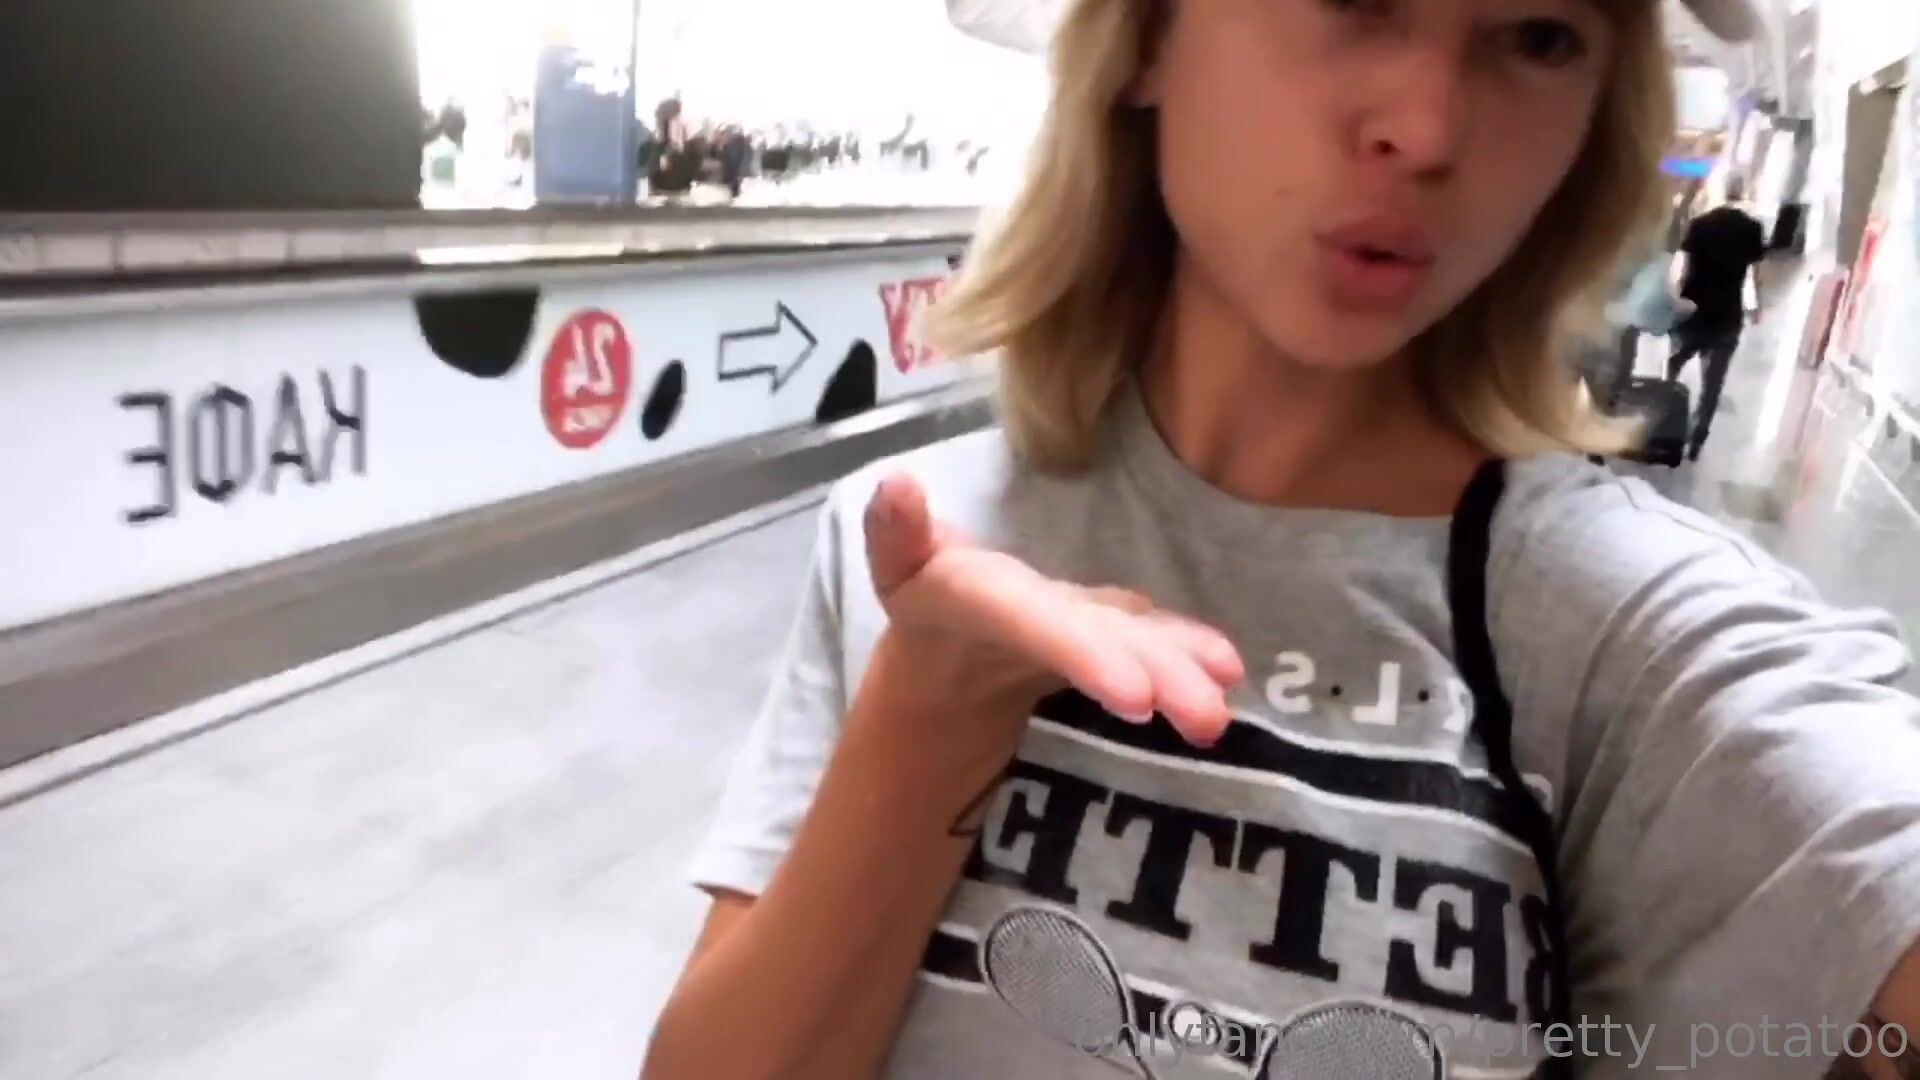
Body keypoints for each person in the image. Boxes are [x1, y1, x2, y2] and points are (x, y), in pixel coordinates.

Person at [647, 2, 1920, 1078]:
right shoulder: (920, 540)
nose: (1429, 128)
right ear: (1147, 39)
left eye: (1540, 36)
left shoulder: (1622, 638)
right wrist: (929, 712)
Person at [1665, 177, 1769, 461]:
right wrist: (1758, 305)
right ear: (1745, 195)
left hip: (1692, 311)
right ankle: (1697, 440)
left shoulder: (1700, 224)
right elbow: (1756, 275)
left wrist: (1676, 301)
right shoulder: (1752, 228)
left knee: (1672, 365)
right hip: (1727, 315)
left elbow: (1685, 272)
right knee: (1712, 385)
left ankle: (1663, 420)